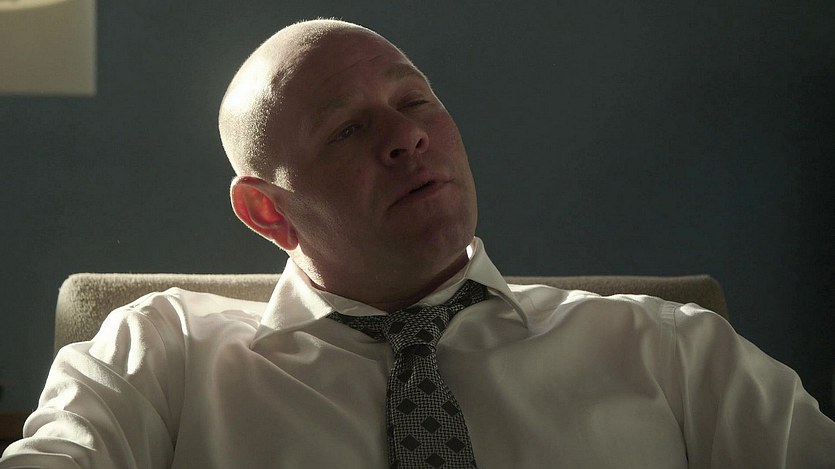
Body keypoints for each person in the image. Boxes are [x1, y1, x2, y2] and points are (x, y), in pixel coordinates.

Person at [2, 18, 834, 469]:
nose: (405, 137)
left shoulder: (669, 350)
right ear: (267, 211)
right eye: (347, 129)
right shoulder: (162, 353)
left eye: (414, 101)